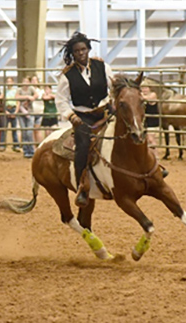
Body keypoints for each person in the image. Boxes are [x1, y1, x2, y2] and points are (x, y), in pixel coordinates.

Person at [55, 31, 114, 208]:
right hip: (83, 117)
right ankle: (82, 186)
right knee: (82, 144)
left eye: (83, 49)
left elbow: (114, 86)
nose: (81, 53)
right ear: (72, 54)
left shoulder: (102, 67)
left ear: (88, 49)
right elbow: (61, 100)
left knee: (131, 128)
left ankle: (152, 167)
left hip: (105, 111)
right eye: (77, 51)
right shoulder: (67, 75)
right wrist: (71, 116)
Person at [15, 76, 38, 158]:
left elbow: (36, 95)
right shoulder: (19, 89)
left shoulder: (31, 89)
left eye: (26, 81)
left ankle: (31, 150)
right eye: (24, 81)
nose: (25, 83)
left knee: (29, 132)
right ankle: (26, 151)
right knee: (24, 132)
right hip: (21, 113)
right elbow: (16, 97)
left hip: (30, 112)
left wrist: (32, 97)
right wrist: (27, 97)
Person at [140, 85, 160, 157]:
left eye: (146, 88)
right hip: (146, 122)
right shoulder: (142, 96)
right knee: (148, 140)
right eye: (142, 88)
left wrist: (140, 95)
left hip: (153, 121)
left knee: (151, 139)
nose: (144, 90)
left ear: (149, 88)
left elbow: (148, 99)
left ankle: (156, 156)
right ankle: (151, 156)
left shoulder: (153, 95)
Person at [2, 76, 20, 153]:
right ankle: (2, 145)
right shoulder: (4, 92)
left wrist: (15, 112)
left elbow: (18, 101)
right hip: (7, 108)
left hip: (13, 108)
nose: (9, 83)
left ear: (12, 82)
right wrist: (5, 111)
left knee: (14, 129)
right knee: (4, 128)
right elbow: (2, 102)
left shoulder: (15, 91)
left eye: (10, 81)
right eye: (7, 81)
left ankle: (16, 145)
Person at [29, 75, 46, 144]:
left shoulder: (41, 91)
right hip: (31, 112)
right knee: (32, 130)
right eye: (32, 80)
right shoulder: (29, 91)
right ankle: (33, 147)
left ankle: (39, 145)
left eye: (35, 80)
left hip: (39, 111)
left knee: (37, 129)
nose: (34, 82)